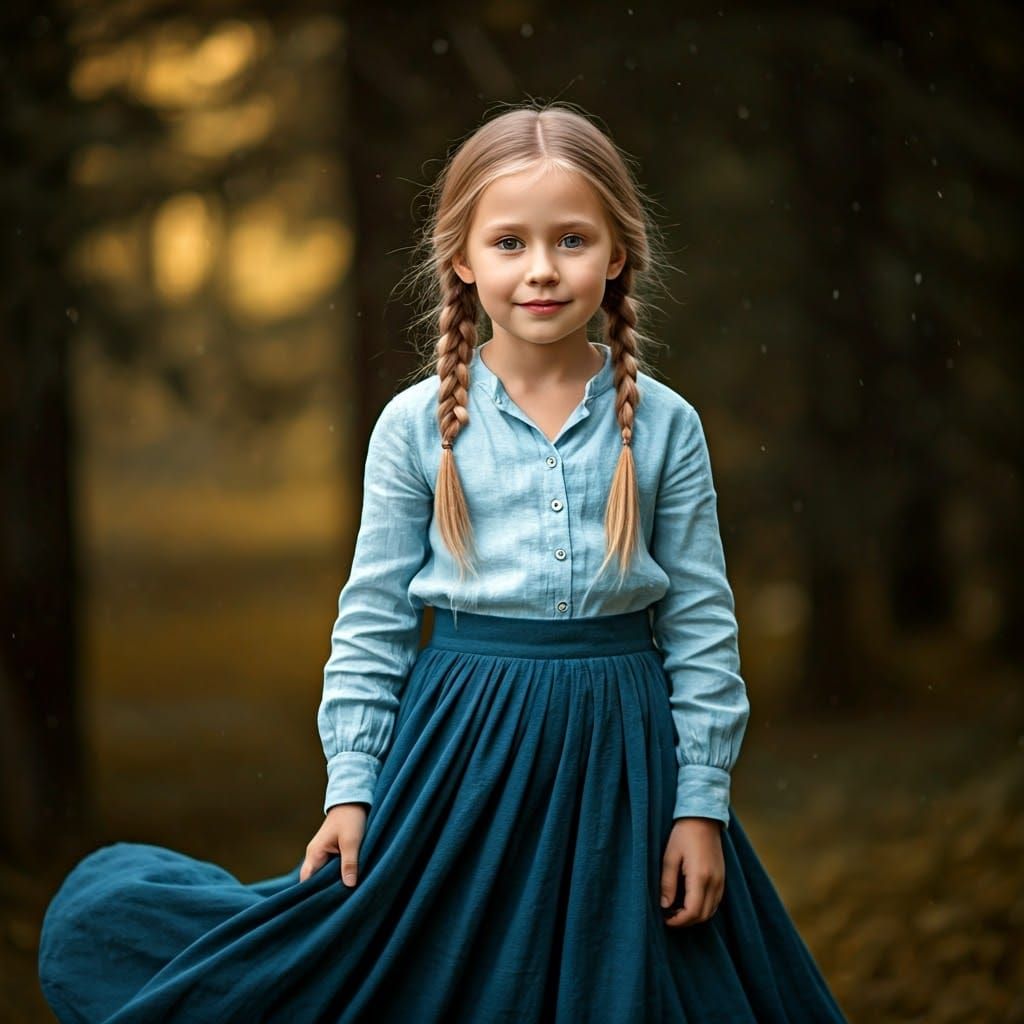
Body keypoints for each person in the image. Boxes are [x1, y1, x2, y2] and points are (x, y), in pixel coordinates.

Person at [37, 101, 849, 1023]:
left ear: (618, 253)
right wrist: (351, 787)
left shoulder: (665, 426)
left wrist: (699, 803)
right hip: (463, 750)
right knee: (439, 976)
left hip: (625, 757)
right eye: (509, 243)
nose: (542, 269)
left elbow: (703, 625)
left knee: (626, 977)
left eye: (572, 239)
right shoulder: (416, 427)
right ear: (461, 259)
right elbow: (373, 621)